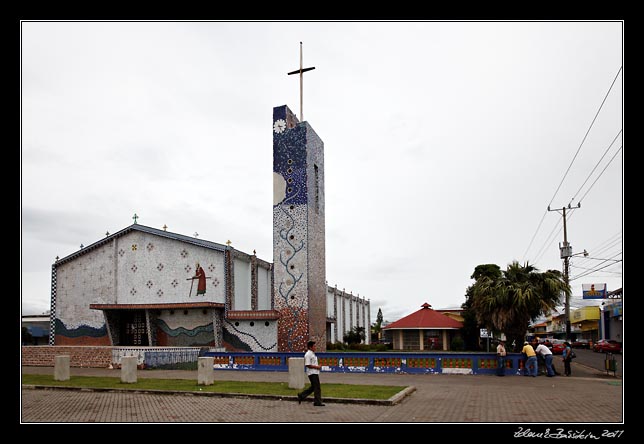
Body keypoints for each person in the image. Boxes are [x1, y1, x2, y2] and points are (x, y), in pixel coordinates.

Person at [297, 340, 325, 406]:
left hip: (314, 372)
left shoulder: (312, 354)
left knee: (313, 387)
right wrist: (317, 367)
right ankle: (317, 402)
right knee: (317, 387)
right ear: (310, 347)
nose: (315, 347)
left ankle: (301, 395)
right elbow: (308, 364)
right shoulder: (308, 354)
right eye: (314, 346)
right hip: (312, 373)